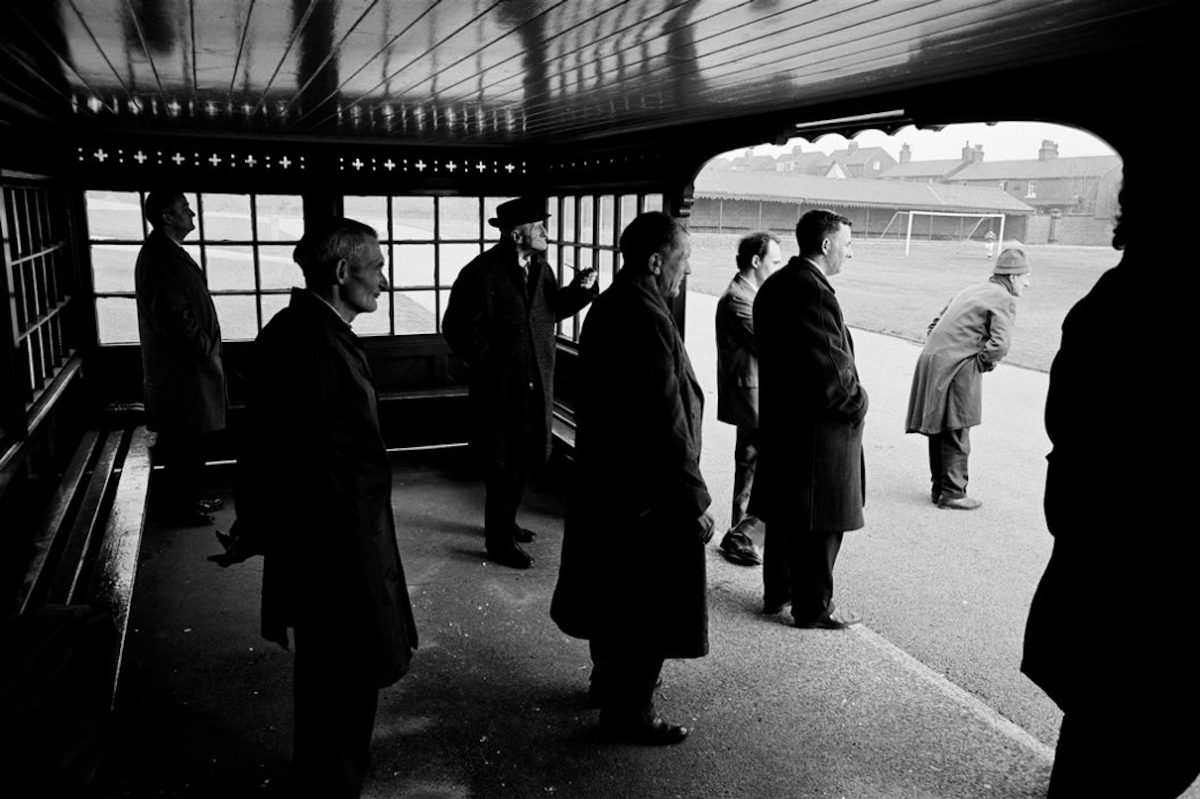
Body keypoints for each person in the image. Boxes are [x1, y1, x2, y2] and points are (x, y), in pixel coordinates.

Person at [221, 218, 418, 798]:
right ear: (341, 272)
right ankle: (331, 780)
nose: (383, 282)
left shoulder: (301, 329)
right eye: (376, 267)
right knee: (344, 668)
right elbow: (302, 460)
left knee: (334, 667)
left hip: (329, 538)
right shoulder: (314, 343)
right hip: (335, 546)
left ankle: (331, 768)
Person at [1022, 171, 1199, 797]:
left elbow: (1068, 438)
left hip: (1102, 573)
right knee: (1131, 753)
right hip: (1150, 590)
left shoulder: (1107, 300)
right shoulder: (1156, 308)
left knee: (1099, 739)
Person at [551, 211, 713, 745]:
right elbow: (663, 417)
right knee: (648, 604)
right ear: (655, 261)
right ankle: (631, 711)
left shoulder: (615, 304)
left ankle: (608, 685)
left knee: (613, 593)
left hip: (611, 483)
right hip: (646, 493)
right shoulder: (644, 315)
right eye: (683, 260)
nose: (685, 273)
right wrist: (694, 498)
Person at [442, 196, 598, 569]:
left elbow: (550, 311)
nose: (545, 231)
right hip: (499, 389)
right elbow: (457, 329)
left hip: (536, 384)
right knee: (501, 464)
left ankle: (506, 524)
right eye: (538, 226)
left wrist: (580, 290)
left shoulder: (541, 268)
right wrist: (497, 361)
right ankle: (498, 541)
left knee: (525, 459)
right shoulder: (480, 273)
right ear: (516, 235)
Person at [751, 209, 866, 630]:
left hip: (783, 424)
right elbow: (833, 377)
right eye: (847, 245)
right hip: (817, 435)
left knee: (785, 515)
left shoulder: (777, 284)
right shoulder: (814, 292)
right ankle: (814, 607)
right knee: (822, 523)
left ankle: (777, 593)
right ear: (826, 245)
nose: (849, 254)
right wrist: (860, 402)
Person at [904, 247, 1032, 510]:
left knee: (939, 426)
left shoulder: (970, 290)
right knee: (957, 426)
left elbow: (933, 325)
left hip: (932, 360)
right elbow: (999, 345)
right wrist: (980, 363)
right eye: (1025, 276)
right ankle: (953, 492)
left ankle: (939, 487)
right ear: (1012, 276)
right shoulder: (1003, 298)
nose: (1028, 282)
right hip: (957, 365)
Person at [135, 190, 226, 526]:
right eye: (184, 209)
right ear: (166, 217)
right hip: (182, 372)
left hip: (188, 369)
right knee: (185, 440)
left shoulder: (167, 252)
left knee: (191, 439)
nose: (192, 215)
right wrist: (204, 348)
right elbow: (174, 317)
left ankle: (188, 499)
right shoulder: (160, 257)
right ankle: (179, 507)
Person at [714, 231, 782, 566]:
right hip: (751, 393)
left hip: (751, 392)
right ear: (756, 262)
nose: (779, 269)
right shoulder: (739, 298)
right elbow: (771, 343)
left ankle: (739, 533)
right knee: (779, 465)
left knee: (750, 462)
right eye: (775, 262)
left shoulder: (747, 293)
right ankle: (744, 535)